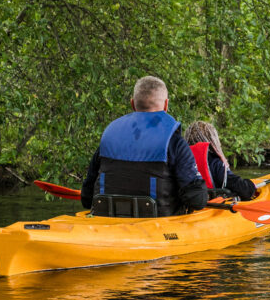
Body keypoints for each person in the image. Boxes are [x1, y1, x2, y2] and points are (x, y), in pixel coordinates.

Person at [81, 75, 207, 216]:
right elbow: (196, 200)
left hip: (106, 221)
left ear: (132, 104)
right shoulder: (175, 143)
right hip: (157, 226)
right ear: (166, 105)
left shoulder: (109, 137)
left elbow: (86, 198)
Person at [184, 120, 256, 201]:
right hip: (212, 208)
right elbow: (244, 190)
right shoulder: (215, 163)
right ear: (212, 139)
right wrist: (250, 186)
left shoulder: (182, 159)